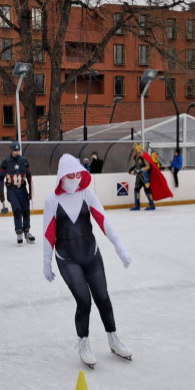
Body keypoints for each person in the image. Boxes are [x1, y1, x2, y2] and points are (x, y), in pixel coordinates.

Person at [42, 154, 133, 368]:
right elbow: (48, 234)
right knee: (84, 301)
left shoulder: (87, 195)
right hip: (67, 259)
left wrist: (120, 248)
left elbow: (104, 222)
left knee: (103, 298)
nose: (74, 179)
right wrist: (46, 262)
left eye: (77, 174)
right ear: (61, 177)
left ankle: (113, 338)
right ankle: (83, 342)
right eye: (69, 175)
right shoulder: (51, 201)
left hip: (91, 255)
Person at [0, 141, 35, 244]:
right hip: (11, 189)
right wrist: (1, 192)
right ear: (11, 150)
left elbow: (29, 176)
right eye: (15, 150)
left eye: (18, 150)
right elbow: (1, 178)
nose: (17, 152)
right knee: (17, 209)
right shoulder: (5, 162)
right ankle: (19, 232)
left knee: (26, 210)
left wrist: (30, 191)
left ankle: (27, 232)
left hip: (23, 189)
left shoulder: (25, 160)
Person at [128, 143, 173, 211]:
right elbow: (137, 164)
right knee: (136, 189)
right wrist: (132, 169)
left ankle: (152, 205)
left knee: (147, 190)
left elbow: (148, 166)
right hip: (139, 176)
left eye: (136, 150)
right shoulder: (137, 156)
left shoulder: (144, 156)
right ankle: (137, 205)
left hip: (145, 176)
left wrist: (138, 171)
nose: (136, 151)